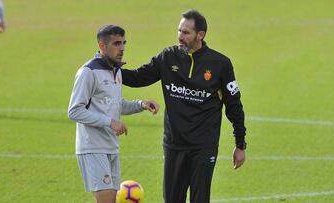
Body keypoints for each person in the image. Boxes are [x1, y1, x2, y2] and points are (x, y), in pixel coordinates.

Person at [121, 9, 247, 203]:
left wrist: (240, 144)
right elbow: (139, 77)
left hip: (203, 147)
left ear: (200, 35)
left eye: (186, 32)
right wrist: (110, 67)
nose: (180, 36)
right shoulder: (168, 57)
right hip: (174, 145)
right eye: (179, 31)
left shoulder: (220, 64)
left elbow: (234, 106)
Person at [68, 25, 159, 203]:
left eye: (124, 43)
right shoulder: (88, 72)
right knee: (107, 199)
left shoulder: (115, 71)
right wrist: (109, 122)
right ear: (102, 45)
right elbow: (74, 111)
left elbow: (115, 105)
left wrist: (141, 105)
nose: (122, 48)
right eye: (117, 43)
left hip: (111, 146)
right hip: (92, 147)